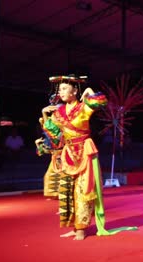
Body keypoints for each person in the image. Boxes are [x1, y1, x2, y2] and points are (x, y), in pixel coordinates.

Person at [41, 75, 136, 240]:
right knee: (67, 191)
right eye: (60, 89)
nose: (60, 92)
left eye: (64, 88)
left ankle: (81, 229)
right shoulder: (59, 112)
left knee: (83, 191)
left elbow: (101, 102)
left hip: (85, 153)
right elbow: (54, 136)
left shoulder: (83, 107)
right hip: (68, 154)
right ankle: (73, 225)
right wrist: (44, 113)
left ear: (74, 90)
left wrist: (89, 91)